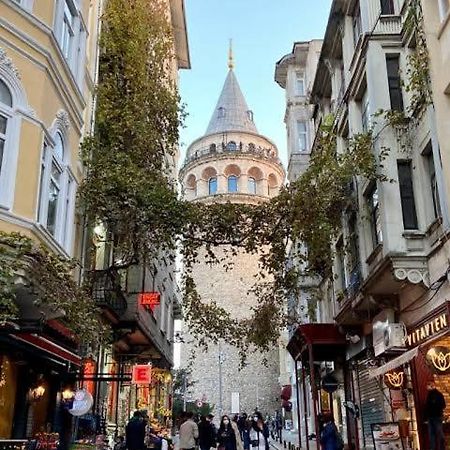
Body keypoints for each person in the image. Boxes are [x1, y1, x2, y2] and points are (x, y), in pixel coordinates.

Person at [425, 381, 446, 450]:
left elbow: (443, 405)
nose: (427, 387)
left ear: (432, 385)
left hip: (436, 417)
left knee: (438, 435)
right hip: (433, 417)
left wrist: (434, 407)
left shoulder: (438, 394)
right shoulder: (430, 394)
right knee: (433, 435)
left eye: (428, 385)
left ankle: (441, 448)